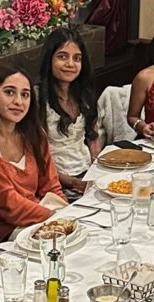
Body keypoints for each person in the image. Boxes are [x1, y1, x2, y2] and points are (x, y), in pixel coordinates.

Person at [0, 65, 66, 241]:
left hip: (43, 216)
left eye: (25, 94)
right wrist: (54, 217)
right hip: (6, 228)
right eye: (10, 92)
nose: (19, 102)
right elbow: (9, 204)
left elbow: (51, 185)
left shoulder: (35, 135)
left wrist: (66, 213)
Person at [37, 28, 101, 198]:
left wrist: (98, 170)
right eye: (62, 56)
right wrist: (72, 182)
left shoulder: (84, 95)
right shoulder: (38, 99)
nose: (70, 64)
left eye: (77, 58)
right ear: (49, 59)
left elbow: (92, 136)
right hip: (54, 183)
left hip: (87, 175)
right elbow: (36, 157)